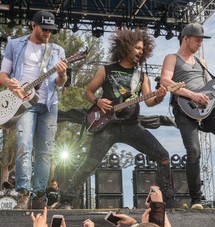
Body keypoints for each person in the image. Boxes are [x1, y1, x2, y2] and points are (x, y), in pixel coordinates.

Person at [60, 27, 175, 208]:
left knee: (163, 156)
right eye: (137, 47)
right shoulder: (106, 70)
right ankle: (66, 199)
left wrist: (160, 95)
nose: (141, 51)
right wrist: (98, 101)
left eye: (143, 49)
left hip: (132, 126)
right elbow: (88, 92)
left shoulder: (141, 77)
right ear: (126, 46)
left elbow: (150, 102)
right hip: (107, 126)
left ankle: (169, 200)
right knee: (90, 164)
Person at [160, 22, 215, 210]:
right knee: (194, 152)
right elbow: (166, 81)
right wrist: (192, 95)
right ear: (186, 38)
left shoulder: (202, 62)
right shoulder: (172, 58)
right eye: (197, 41)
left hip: (207, 110)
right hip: (184, 108)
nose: (200, 44)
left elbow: (210, 92)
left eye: (201, 41)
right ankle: (196, 199)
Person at [0, 10, 68, 209]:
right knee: (24, 146)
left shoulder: (57, 50)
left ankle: (39, 195)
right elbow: (3, 74)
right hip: (24, 103)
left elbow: (60, 83)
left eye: (51, 30)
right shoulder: (15, 45)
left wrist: (62, 75)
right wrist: (10, 84)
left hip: (49, 104)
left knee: (45, 151)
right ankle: (23, 193)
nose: (47, 33)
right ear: (33, 25)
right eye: (44, 29)